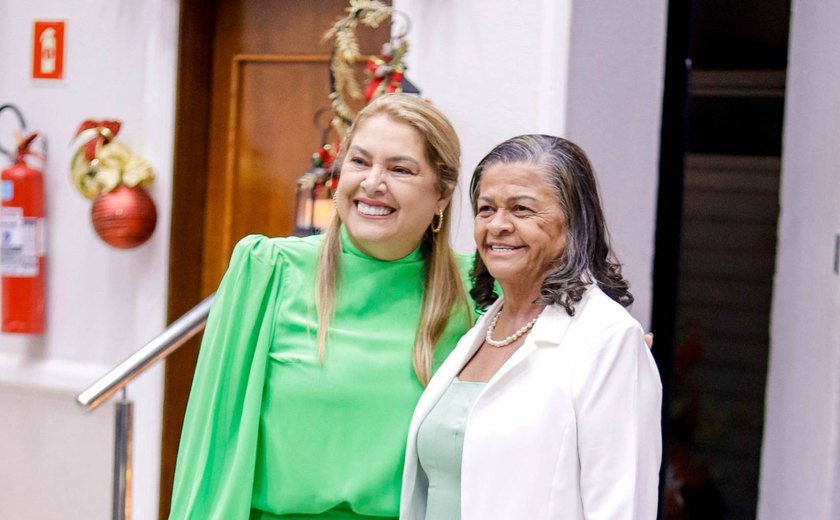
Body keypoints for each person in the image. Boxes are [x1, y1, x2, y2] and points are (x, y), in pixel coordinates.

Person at [168, 93, 474, 519]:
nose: (373, 183)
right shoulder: (268, 271)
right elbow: (212, 448)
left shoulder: (477, 292)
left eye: (400, 169)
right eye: (360, 162)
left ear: (441, 194)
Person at [400, 135, 662, 519]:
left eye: (522, 209)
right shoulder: (480, 327)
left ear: (574, 222)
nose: (498, 225)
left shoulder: (607, 339)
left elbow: (621, 506)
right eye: (486, 209)